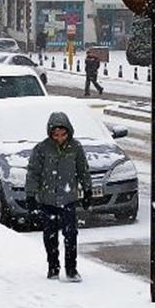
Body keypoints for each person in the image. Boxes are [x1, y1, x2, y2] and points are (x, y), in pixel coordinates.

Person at [25, 112, 92, 282]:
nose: (60, 138)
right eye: (56, 135)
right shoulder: (42, 149)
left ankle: (71, 269)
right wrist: (31, 196)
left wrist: (87, 190)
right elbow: (33, 173)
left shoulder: (75, 148)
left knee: (70, 235)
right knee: (50, 235)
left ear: (69, 132)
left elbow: (83, 170)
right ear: (50, 133)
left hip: (68, 199)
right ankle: (53, 267)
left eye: (63, 134)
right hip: (48, 200)